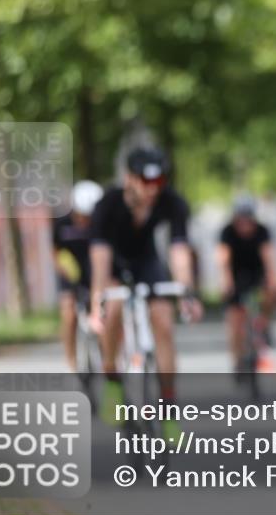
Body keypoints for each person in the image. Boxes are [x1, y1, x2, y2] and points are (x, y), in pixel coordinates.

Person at [89, 146, 203, 435]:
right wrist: (96, 301)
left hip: (147, 262)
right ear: (129, 178)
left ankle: (168, 409)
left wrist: (186, 292)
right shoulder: (108, 204)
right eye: (145, 181)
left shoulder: (172, 202)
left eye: (159, 182)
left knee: (163, 321)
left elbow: (179, 250)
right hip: (114, 264)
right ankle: (112, 377)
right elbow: (100, 258)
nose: (153, 189)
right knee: (112, 309)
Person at [217, 195, 276, 375]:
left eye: (248, 219)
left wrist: (272, 280)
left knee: (271, 293)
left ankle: (264, 324)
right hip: (236, 276)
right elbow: (223, 260)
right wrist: (226, 281)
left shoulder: (262, 231)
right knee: (234, 321)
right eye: (241, 219)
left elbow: (268, 258)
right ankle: (237, 360)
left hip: (256, 274)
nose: (245, 224)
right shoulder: (227, 232)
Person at [53, 179, 103, 371]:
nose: (85, 220)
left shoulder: (100, 224)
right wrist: (63, 269)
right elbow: (54, 250)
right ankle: (72, 360)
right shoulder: (62, 223)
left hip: (94, 270)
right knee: (69, 313)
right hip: (69, 270)